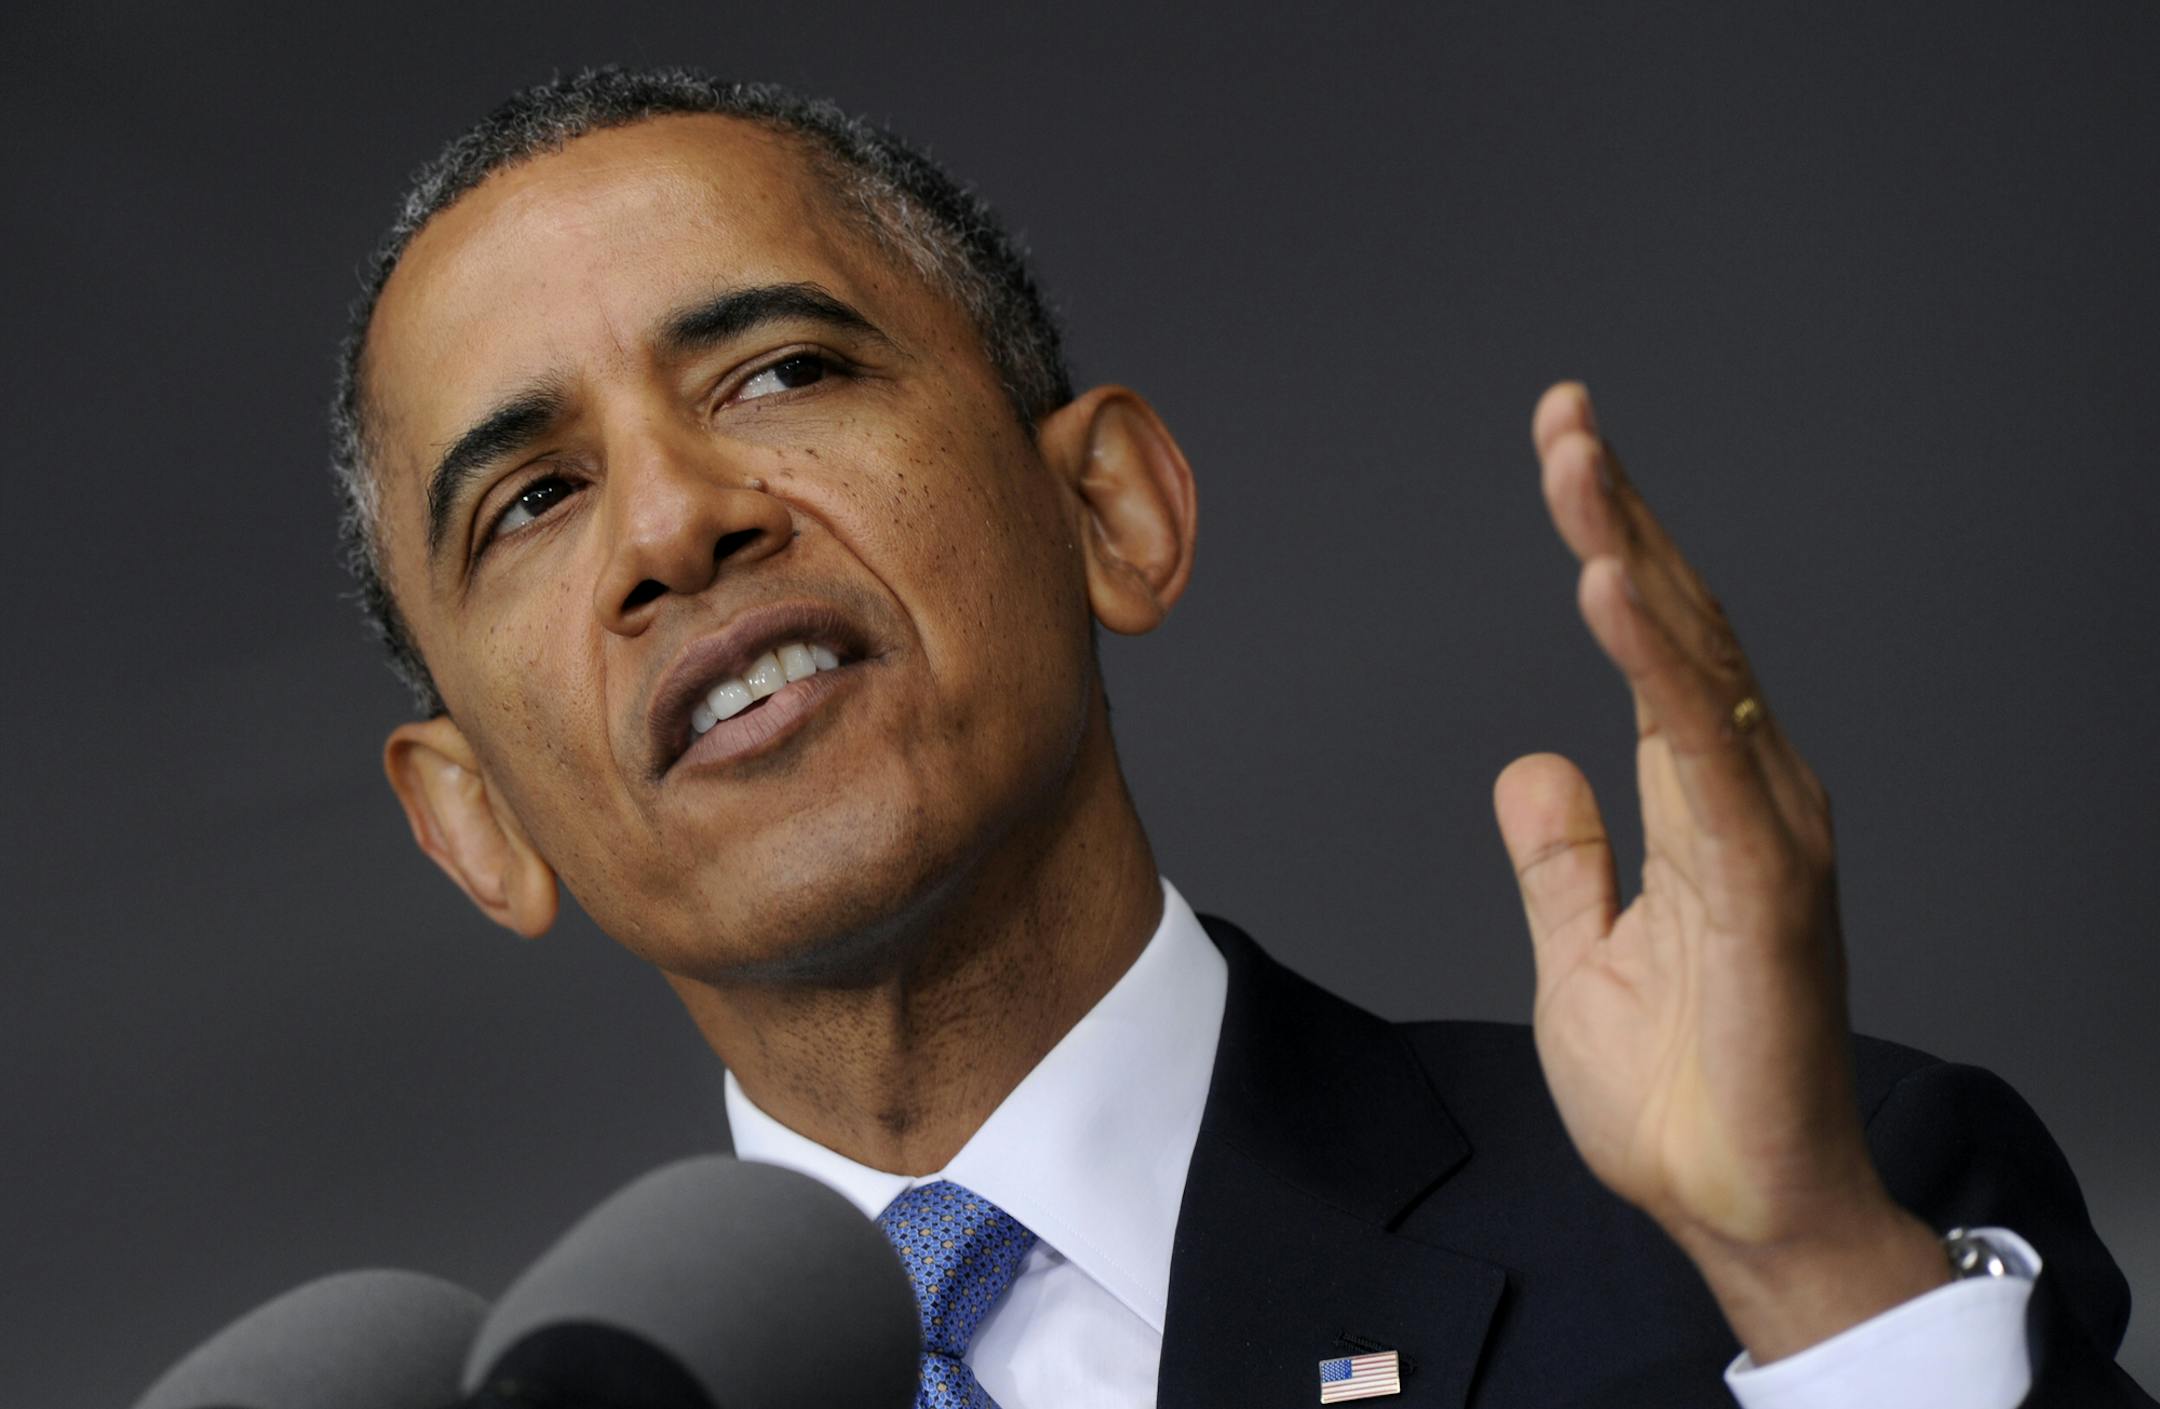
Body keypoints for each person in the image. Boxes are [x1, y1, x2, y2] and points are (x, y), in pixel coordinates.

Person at [332, 67, 2149, 1407]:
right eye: (535, 496)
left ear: (1110, 511)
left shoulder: (1780, 1229)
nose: (672, 528)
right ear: (475, 819)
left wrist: (1810, 1263)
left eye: (784, 373)